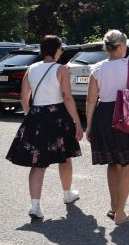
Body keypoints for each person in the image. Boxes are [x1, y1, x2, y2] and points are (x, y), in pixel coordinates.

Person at [6, 35, 83, 221]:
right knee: (65, 157)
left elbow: (24, 97)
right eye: (61, 48)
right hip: (57, 116)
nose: (61, 52)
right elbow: (67, 97)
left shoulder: (31, 68)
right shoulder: (61, 69)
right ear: (56, 50)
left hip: (36, 116)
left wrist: (30, 115)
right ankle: (67, 194)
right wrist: (78, 123)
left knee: (37, 162)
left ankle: (35, 206)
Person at [86, 30, 129, 225]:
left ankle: (114, 206)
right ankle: (121, 213)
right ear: (123, 46)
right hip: (125, 115)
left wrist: (89, 126)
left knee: (112, 162)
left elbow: (91, 101)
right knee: (125, 166)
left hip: (103, 116)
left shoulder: (96, 68)